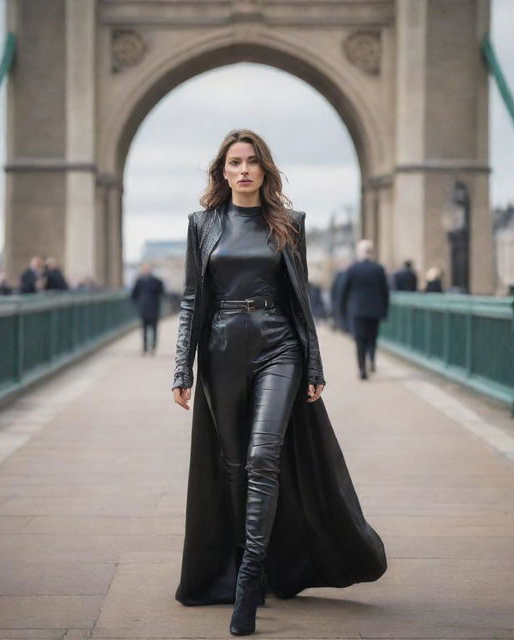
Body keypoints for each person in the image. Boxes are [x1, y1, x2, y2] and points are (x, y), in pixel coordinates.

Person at [171, 129, 387, 636]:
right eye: (233, 163)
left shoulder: (289, 223)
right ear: (222, 173)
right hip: (221, 346)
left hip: (278, 344)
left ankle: (248, 583)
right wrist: (182, 367)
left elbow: (301, 299)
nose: (243, 170)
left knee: (264, 455)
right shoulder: (203, 225)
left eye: (251, 162)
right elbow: (190, 299)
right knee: (232, 465)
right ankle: (249, 564)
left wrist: (313, 362)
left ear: (265, 170)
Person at [339, 240, 389, 380]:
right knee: (372, 337)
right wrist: (384, 310)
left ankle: (362, 369)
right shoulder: (379, 269)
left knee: (360, 340)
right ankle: (372, 359)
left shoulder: (352, 269)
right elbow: (385, 292)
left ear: (359, 252)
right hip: (375, 310)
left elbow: (344, 291)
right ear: (371, 252)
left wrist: (342, 311)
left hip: (358, 311)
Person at [130, 262, 165, 355]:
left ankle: (153, 347)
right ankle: (145, 348)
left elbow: (162, 292)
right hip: (144, 309)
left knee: (154, 329)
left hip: (154, 309)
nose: (146, 270)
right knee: (144, 330)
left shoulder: (157, 281)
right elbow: (134, 295)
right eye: (145, 269)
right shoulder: (139, 281)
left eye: (147, 268)